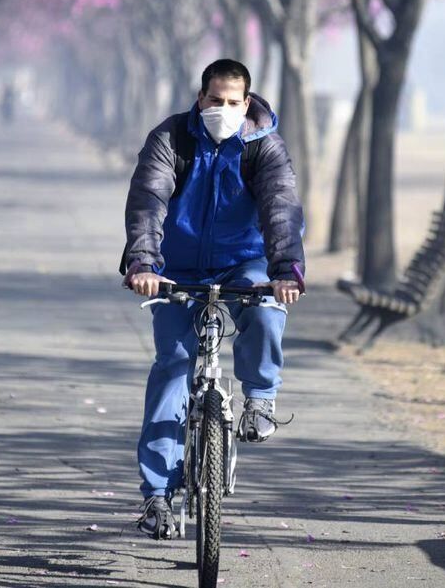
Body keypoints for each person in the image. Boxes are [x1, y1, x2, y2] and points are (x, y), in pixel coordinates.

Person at [121, 59, 305, 540]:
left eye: (232, 102)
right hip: (175, 267)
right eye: (214, 100)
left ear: (246, 104)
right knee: (172, 367)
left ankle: (260, 400)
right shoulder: (170, 140)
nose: (222, 109)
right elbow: (148, 201)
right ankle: (157, 495)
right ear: (199, 99)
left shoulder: (263, 147)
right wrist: (142, 264)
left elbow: (280, 208)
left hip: (243, 262)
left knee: (266, 311)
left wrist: (285, 271)